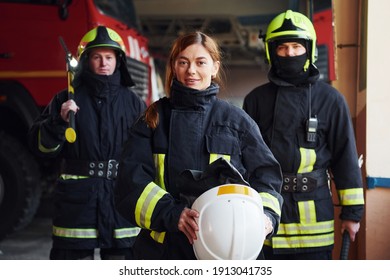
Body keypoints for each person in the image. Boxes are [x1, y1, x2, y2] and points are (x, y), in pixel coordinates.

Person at [115, 31, 283, 260]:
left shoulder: (237, 121)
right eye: (183, 62)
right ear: (174, 67)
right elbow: (130, 181)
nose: (191, 70)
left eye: (200, 62)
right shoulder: (152, 119)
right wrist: (172, 214)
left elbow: (267, 176)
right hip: (163, 252)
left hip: (228, 251)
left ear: (214, 67)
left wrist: (267, 216)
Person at [243, 10, 365, 260]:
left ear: (309, 50)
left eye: (297, 46)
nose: (290, 53)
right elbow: (244, 160)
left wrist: (352, 214)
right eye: (283, 47)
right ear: (271, 51)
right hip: (268, 219)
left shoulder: (331, 100)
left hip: (316, 226)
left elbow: (345, 158)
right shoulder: (256, 100)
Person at [28, 26, 146, 260]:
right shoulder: (65, 99)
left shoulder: (134, 103)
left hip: (121, 203)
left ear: (118, 61)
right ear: (86, 61)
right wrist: (58, 122)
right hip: (77, 206)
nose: (104, 63)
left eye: (109, 57)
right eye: (96, 57)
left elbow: (144, 155)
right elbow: (42, 149)